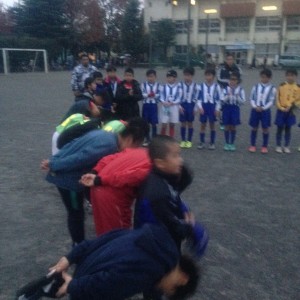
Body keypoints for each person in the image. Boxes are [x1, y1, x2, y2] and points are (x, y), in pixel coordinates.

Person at [16, 225, 199, 300]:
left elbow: (100, 240)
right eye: (168, 290)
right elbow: (105, 284)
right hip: (88, 290)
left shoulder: (151, 238)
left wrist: (70, 257)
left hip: (85, 268)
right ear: (182, 278)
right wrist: (74, 286)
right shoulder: (149, 272)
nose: (161, 290)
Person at [41, 118, 147, 245]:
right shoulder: (109, 145)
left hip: (72, 173)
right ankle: (78, 247)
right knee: (76, 213)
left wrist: (56, 159)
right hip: (68, 179)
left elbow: (74, 143)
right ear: (129, 139)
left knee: (84, 205)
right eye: (134, 147)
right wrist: (55, 164)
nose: (130, 152)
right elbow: (81, 158)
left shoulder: (105, 134)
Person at [135, 135, 208, 256]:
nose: (180, 160)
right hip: (155, 248)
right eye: (175, 156)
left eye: (179, 155)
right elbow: (170, 226)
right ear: (160, 163)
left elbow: (175, 196)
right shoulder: (158, 193)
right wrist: (190, 228)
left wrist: (181, 209)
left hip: (159, 243)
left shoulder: (163, 178)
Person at [80, 122, 151, 235]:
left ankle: (104, 247)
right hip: (110, 194)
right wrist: (99, 179)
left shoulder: (136, 152)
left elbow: (107, 159)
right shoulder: (151, 164)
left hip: (98, 191)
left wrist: (94, 172)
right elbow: (129, 177)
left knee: (103, 229)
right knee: (119, 233)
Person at [248, 69, 276, 154]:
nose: (263, 79)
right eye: (262, 77)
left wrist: (263, 108)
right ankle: (252, 145)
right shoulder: (255, 87)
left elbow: (271, 101)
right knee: (254, 127)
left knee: (265, 128)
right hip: (255, 110)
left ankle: (264, 146)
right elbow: (251, 98)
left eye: (265, 77)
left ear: (270, 78)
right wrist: (255, 106)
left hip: (265, 111)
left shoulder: (273, 89)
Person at [274, 69, 300, 153]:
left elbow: (298, 100)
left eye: (292, 75)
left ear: (296, 76)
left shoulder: (298, 87)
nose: (290, 77)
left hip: (291, 111)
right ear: (286, 76)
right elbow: (277, 98)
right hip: (281, 110)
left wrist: (291, 106)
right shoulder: (282, 86)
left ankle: (286, 146)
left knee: (288, 128)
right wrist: (281, 107)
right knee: (279, 128)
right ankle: (278, 145)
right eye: (288, 75)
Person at [197, 69, 222, 150]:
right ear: (205, 76)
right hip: (204, 106)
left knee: (212, 125)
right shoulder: (200, 86)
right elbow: (198, 98)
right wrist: (200, 107)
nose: (208, 77)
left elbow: (219, 99)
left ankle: (212, 143)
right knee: (202, 125)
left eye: (210, 75)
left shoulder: (217, 86)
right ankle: (201, 142)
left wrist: (217, 109)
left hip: (212, 106)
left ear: (213, 77)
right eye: (207, 75)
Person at [221, 72, 246, 151]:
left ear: (237, 81)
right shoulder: (225, 89)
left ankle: (232, 143)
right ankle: (226, 143)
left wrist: (237, 97)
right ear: (229, 80)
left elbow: (243, 102)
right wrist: (228, 96)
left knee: (233, 126)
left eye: (234, 80)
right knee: (226, 126)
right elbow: (222, 101)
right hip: (227, 108)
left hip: (235, 109)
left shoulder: (241, 90)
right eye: (231, 79)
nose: (232, 81)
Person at [217, 53, 242, 129]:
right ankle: (222, 121)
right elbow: (218, 79)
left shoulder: (238, 69)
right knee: (222, 107)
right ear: (225, 60)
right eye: (228, 59)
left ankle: (232, 120)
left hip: (234, 90)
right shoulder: (221, 69)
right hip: (224, 90)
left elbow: (240, 79)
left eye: (231, 59)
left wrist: (234, 84)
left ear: (233, 60)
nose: (229, 61)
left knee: (233, 106)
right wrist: (229, 82)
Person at [179, 67, 199, 148]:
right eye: (185, 75)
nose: (187, 77)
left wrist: (195, 108)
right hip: (183, 105)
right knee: (183, 123)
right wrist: (179, 106)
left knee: (190, 123)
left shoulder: (195, 86)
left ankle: (189, 141)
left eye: (189, 75)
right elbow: (177, 96)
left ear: (192, 76)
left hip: (191, 105)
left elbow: (197, 98)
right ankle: (183, 140)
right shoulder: (180, 85)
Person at [160, 70, 183, 137]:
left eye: (171, 77)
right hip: (165, 107)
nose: (169, 79)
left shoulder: (178, 87)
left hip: (174, 107)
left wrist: (174, 102)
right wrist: (163, 102)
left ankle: (171, 138)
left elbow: (179, 98)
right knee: (164, 123)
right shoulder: (163, 87)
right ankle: (162, 138)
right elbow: (161, 96)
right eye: (168, 77)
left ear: (175, 78)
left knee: (172, 124)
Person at [141, 69, 161, 145]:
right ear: (147, 77)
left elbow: (159, 94)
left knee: (154, 123)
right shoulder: (143, 84)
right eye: (149, 76)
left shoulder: (158, 85)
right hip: (146, 105)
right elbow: (142, 94)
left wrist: (154, 95)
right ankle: (147, 139)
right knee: (146, 123)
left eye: (152, 76)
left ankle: (154, 139)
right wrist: (148, 95)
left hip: (153, 106)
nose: (150, 78)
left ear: (155, 77)